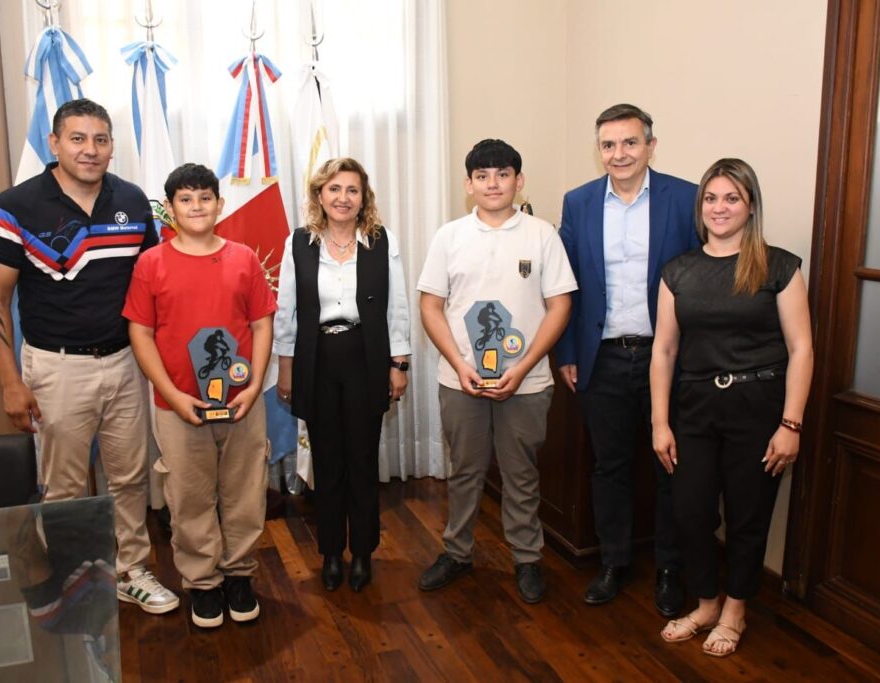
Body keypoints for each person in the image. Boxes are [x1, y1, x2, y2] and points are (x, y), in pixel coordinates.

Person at [0, 98, 179, 615]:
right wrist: (8, 383)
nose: (90, 150)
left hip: (126, 362)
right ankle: (77, 577)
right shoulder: (14, 206)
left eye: (100, 139)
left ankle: (132, 570)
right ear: (54, 143)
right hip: (56, 366)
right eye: (78, 138)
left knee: (130, 476)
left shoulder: (133, 201)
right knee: (65, 487)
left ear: (111, 146)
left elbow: (153, 285)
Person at [651, 158, 813, 656]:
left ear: (750, 206)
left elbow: (802, 348)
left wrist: (791, 424)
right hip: (695, 405)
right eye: (712, 198)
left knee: (748, 514)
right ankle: (705, 603)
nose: (720, 208)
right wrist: (660, 422)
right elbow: (664, 349)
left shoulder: (778, 266)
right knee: (691, 510)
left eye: (732, 198)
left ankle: (736, 609)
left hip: (758, 404)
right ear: (701, 206)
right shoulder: (678, 270)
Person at [417, 139, 577, 604]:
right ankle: (457, 552)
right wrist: (459, 364)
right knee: (465, 471)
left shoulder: (542, 235)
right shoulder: (449, 237)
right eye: (483, 175)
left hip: (526, 383)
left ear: (518, 180)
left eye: (503, 173)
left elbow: (559, 305)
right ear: (469, 185)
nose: (493, 183)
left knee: (521, 473)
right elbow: (432, 306)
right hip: (460, 379)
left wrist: (525, 367)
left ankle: (527, 559)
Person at [555, 103, 699, 616]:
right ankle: (614, 562)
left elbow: (703, 282)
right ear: (600, 151)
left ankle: (669, 570)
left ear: (650, 146)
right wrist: (568, 351)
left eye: (630, 143)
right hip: (603, 359)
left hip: (671, 359)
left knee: (672, 468)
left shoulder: (686, 199)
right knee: (609, 466)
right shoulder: (578, 203)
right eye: (609, 145)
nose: (619, 154)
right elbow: (565, 285)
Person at [123, 163, 275, 628]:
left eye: (204, 198)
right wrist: (169, 392)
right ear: (169, 209)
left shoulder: (243, 258)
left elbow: (261, 323)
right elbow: (140, 332)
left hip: (240, 402)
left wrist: (253, 386)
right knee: (189, 497)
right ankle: (203, 582)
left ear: (219, 205)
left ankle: (238, 574)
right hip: (179, 404)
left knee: (244, 492)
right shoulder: (151, 263)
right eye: (185, 200)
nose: (196, 207)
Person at [274, 157, 411, 593]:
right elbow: (286, 312)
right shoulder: (298, 243)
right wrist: (285, 367)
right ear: (320, 196)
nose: (343, 198)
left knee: (362, 461)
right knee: (328, 463)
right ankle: (332, 553)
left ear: (363, 197)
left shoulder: (380, 242)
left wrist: (399, 364)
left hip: (365, 357)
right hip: (316, 358)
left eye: (352, 190)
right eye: (334, 189)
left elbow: (399, 307)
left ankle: (363, 554)